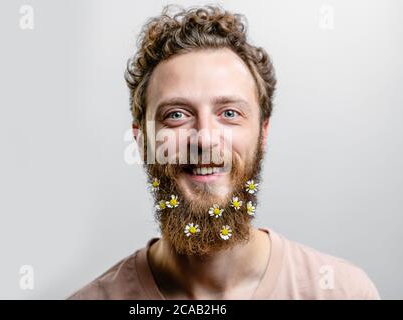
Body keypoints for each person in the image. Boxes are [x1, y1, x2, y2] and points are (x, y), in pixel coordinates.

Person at [68, 5, 380, 300]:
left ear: (262, 134)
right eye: (176, 114)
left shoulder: (343, 291)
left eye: (229, 113)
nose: (204, 139)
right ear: (142, 141)